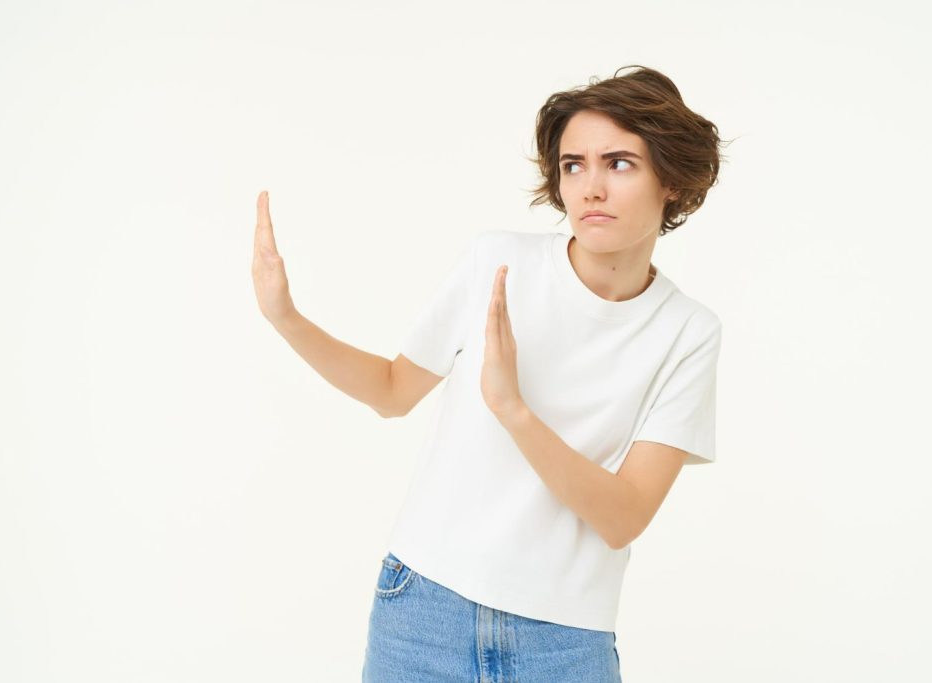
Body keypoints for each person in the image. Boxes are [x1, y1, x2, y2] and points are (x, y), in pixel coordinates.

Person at [251, 64, 726, 682]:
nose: (590, 188)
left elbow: (624, 517)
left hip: (565, 641)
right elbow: (393, 392)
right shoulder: (497, 262)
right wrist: (287, 318)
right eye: (573, 164)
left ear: (673, 182)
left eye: (619, 163)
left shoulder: (687, 331)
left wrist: (513, 410)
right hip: (424, 611)